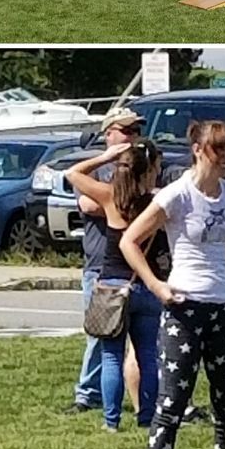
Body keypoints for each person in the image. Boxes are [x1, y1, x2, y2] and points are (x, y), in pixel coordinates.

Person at [120, 121, 225, 449]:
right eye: (220, 151)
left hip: (224, 308)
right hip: (184, 308)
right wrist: (156, 285)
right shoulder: (176, 195)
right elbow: (130, 241)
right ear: (198, 149)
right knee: (172, 405)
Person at [65, 138, 170, 432]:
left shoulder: (110, 197)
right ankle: (147, 417)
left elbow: (72, 174)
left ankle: (111, 421)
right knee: (148, 354)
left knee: (111, 356)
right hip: (146, 284)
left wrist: (105, 156)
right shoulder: (156, 203)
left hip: (112, 285)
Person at [65, 108, 145, 415]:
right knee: (101, 335)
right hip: (101, 266)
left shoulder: (143, 166)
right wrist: (121, 198)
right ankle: (87, 395)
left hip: (140, 267)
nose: (132, 137)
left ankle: (145, 397)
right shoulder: (97, 170)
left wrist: (112, 202)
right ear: (108, 132)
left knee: (144, 340)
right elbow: (87, 202)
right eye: (126, 130)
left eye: (136, 131)